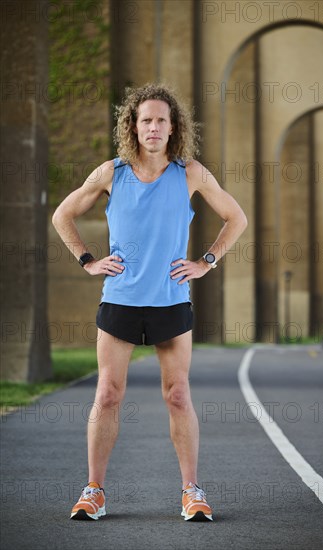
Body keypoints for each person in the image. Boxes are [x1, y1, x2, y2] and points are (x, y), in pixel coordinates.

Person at [52, 83, 247, 522]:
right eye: (146, 120)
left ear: (172, 127)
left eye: (161, 120)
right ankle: (94, 491)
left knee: (178, 395)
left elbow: (237, 218)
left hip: (171, 300)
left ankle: (191, 491)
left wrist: (206, 261)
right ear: (133, 127)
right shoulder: (111, 173)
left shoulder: (190, 172)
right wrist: (87, 260)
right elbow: (62, 214)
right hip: (120, 299)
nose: (154, 127)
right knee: (107, 394)